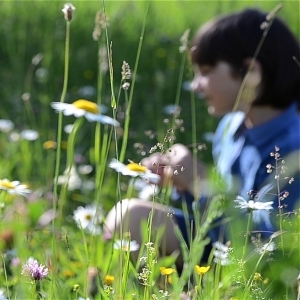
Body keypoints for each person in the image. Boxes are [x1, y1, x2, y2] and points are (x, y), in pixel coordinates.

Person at [104, 8, 300, 268]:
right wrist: (182, 184)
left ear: (250, 71)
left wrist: (202, 182)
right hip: (218, 245)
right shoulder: (231, 127)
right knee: (127, 217)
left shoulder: (292, 149)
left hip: (256, 267)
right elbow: (216, 214)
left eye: (206, 71)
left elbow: (269, 245)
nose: (196, 85)